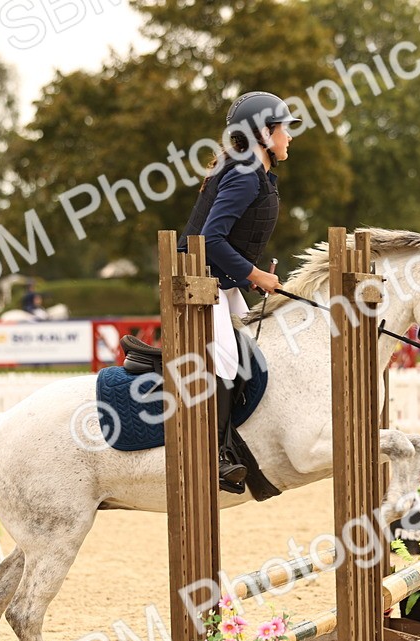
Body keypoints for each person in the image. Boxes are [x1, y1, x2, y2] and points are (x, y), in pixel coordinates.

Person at [178, 91, 293, 493]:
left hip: (218, 283)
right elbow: (210, 239)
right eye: (284, 129)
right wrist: (256, 275)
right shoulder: (246, 174)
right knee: (226, 360)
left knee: (247, 351)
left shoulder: (252, 172)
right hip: (196, 285)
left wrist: (248, 276)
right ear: (264, 132)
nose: (289, 137)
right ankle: (215, 456)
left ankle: (234, 443)